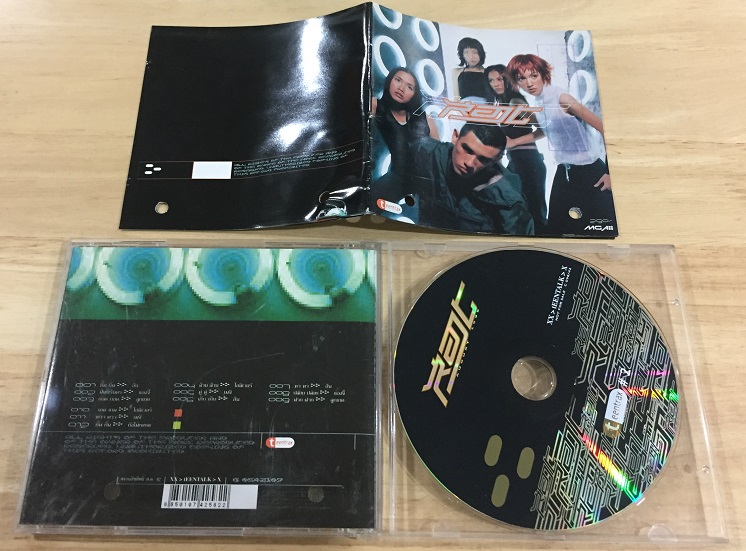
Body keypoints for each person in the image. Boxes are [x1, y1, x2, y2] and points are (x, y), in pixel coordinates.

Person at [506, 54, 615, 235]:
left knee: (597, 225)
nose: (529, 83)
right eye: (522, 79)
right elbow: (545, 130)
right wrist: (514, 142)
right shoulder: (539, 103)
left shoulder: (562, 98)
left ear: (543, 74)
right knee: (556, 226)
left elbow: (603, 128)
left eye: (534, 76)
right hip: (565, 171)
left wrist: (611, 173)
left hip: (590, 171)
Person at [409, 123, 534, 235]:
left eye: (483, 159)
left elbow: (519, 246)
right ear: (455, 137)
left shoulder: (508, 199)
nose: (469, 163)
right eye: (467, 150)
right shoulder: (426, 152)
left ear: (496, 159)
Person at [485, 64, 548, 231]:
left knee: (535, 214)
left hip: (529, 162)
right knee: (520, 212)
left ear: (507, 80)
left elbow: (543, 130)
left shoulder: (515, 101)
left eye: (500, 79)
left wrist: (514, 142)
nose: (496, 83)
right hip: (516, 162)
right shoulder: (503, 104)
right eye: (491, 80)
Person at [371, 67, 438, 205]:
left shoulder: (424, 117)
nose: (401, 88)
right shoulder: (375, 105)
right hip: (395, 179)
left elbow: (438, 153)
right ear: (390, 80)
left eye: (409, 87)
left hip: (425, 182)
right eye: (398, 80)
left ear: (414, 94)